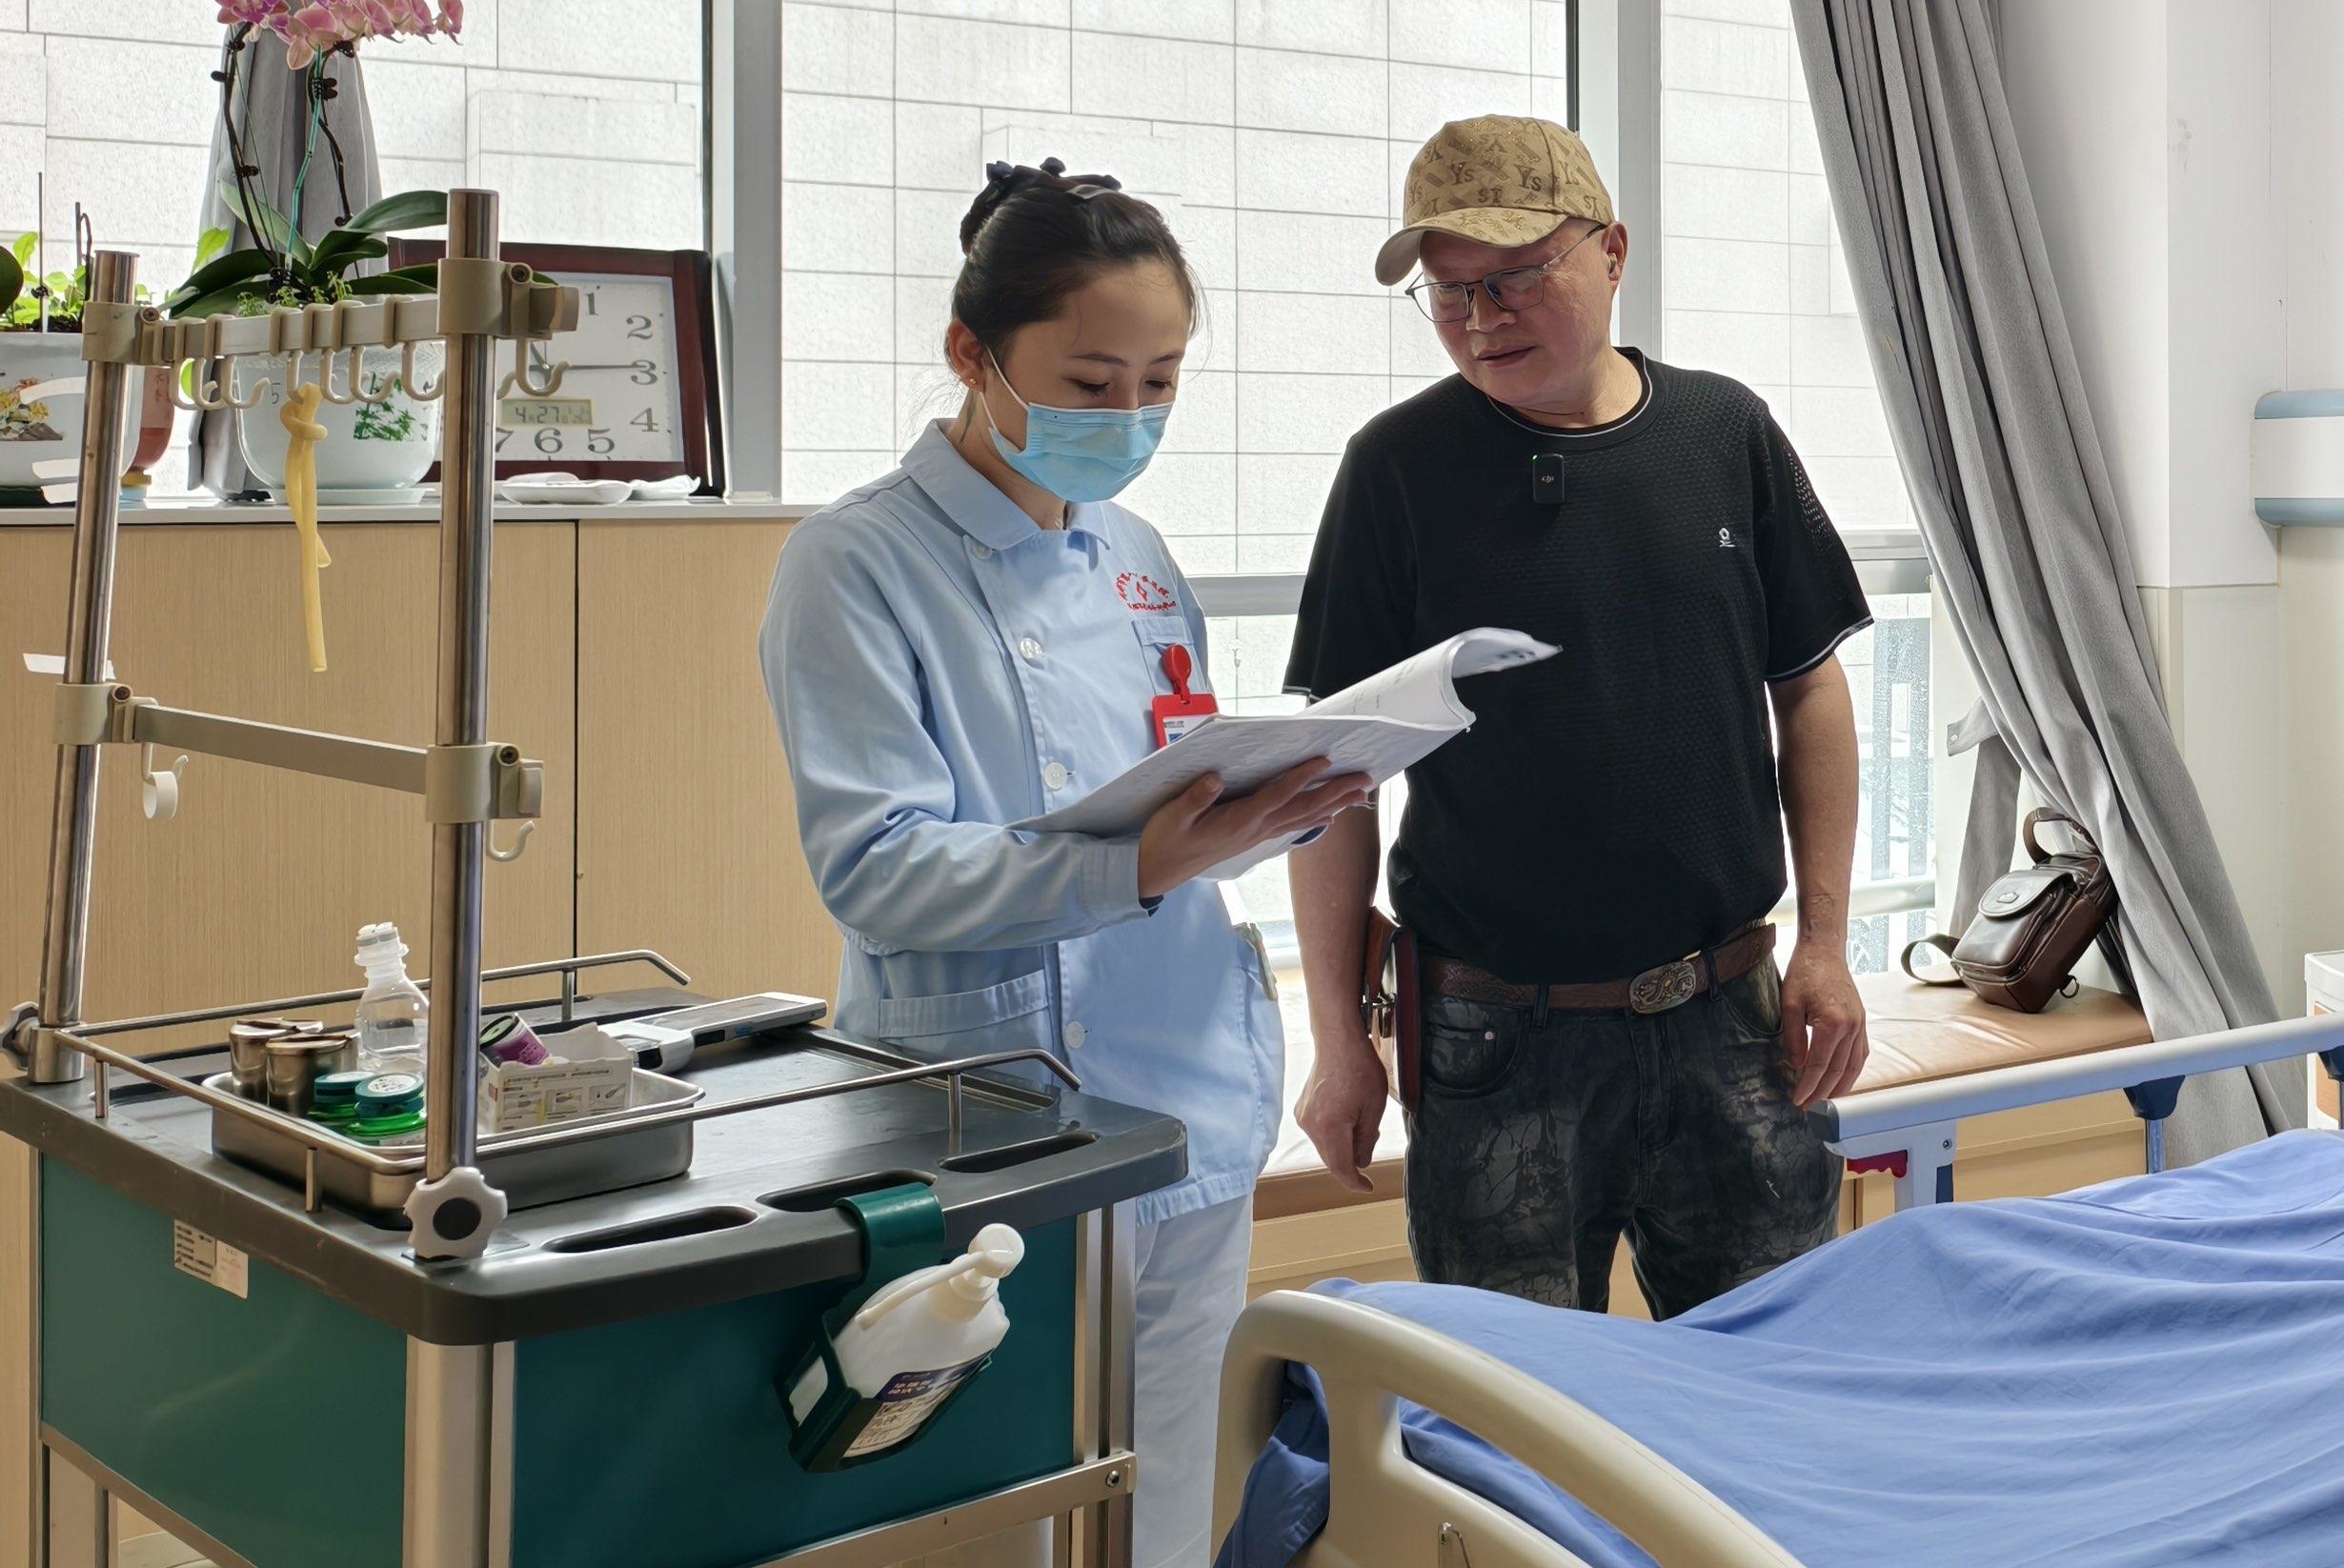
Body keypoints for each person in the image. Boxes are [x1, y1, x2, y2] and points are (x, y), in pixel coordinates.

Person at [758, 160, 1369, 1568]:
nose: (1130, 419)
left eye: (1161, 384)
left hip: (1185, 1095)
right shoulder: (855, 563)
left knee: (1169, 1504)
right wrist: (1135, 864)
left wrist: (1273, 803)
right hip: (991, 1116)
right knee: (1001, 1521)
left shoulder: (1137, 555)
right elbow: (879, 867)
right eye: (1093, 383)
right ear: (972, 353)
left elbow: (1171, 768)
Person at [1283, 113, 1871, 1316]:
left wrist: (1824, 942)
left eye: (1514, 277)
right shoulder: (1397, 467)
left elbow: (1808, 684)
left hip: (1731, 1013)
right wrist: (1340, 1040)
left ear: (1612, 252)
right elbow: (1334, 775)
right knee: (1518, 1403)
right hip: (1495, 1040)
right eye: (1450, 293)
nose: (1481, 318)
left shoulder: (1724, 433)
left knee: (1770, 1365)